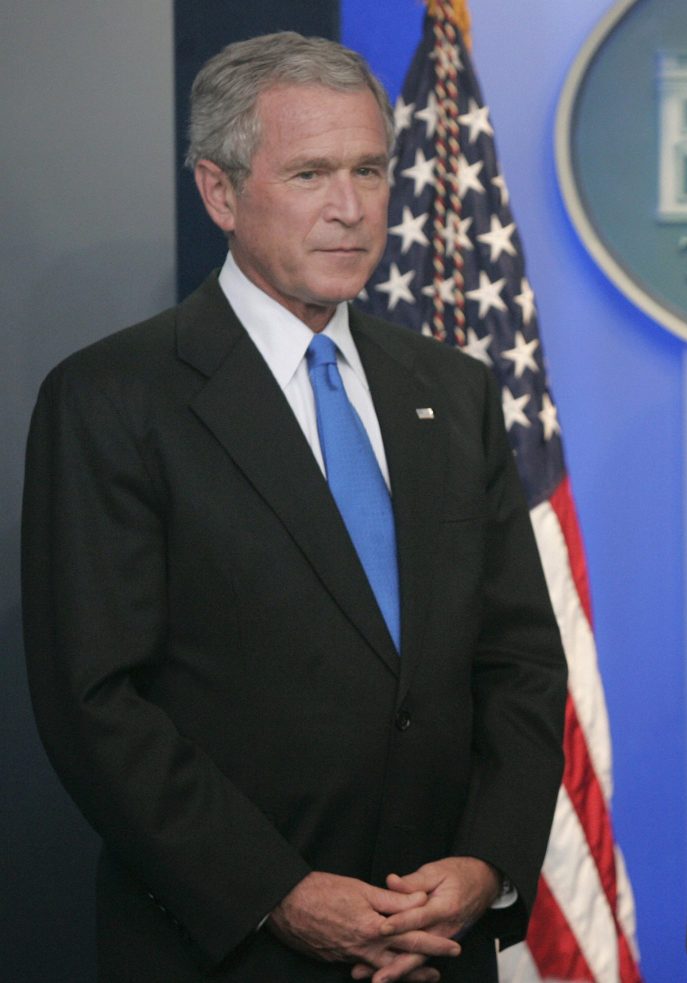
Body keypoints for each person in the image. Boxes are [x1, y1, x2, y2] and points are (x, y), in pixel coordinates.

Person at [22, 33, 567, 983]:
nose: (351, 209)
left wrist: (486, 862)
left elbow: (519, 660)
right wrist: (277, 890)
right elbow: (95, 700)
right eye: (310, 172)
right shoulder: (112, 398)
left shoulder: (454, 390)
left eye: (368, 169)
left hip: (436, 949)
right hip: (226, 949)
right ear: (219, 191)